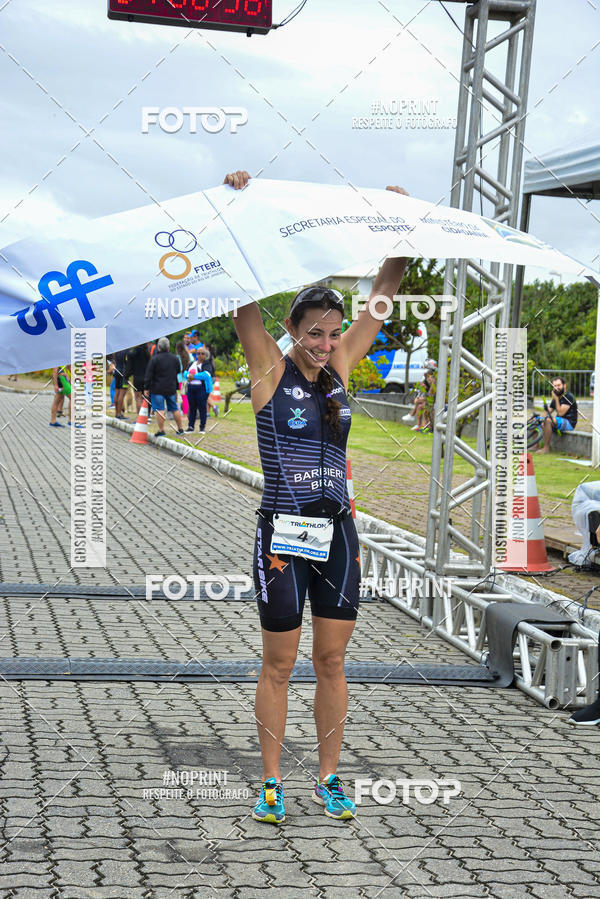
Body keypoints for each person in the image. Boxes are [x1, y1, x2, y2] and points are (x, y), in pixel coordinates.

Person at [224, 168, 408, 825]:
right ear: (292, 329)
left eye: (334, 332)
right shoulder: (267, 368)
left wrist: (400, 226)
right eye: (314, 332)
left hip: (339, 535)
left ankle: (329, 779)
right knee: (280, 663)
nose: (326, 343)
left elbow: (384, 294)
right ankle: (271, 781)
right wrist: (239, 204)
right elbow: (239, 293)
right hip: (281, 535)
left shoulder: (342, 367)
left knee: (331, 660)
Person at [143, 337, 185, 437]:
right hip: (171, 387)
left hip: (157, 388)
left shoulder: (154, 359)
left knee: (159, 409)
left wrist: (146, 387)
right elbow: (178, 371)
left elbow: (149, 374)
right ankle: (180, 429)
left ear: (159, 347)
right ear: (169, 347)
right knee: (174, 408)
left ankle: (161, 430)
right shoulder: (175, 358)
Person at [537, 376, 578, 454]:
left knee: (548, 420)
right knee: (537, 419)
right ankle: (535, 446)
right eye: (554, 386)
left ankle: (546, 448)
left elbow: (560, 413)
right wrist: (540, 419)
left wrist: (556, 399)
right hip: (559, 421)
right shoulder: (557, 397)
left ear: (564, 385)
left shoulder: (569, 397)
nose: (556, 388)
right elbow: (548, 411)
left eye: (558, 385)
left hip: (569, 423)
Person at [402, 361, 436, 431]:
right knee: (419, 406)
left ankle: (411, 415)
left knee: (417, 401)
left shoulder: (434, 379)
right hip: (430, 400)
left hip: (434, 400)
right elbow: (426, 390)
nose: (425, 373)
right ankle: (419, 425)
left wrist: (427, 388)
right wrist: (423, 386)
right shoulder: (427, 379)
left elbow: (432, 393)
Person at [185, 350, 213, 433]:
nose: (200, 355)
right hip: (191, 388)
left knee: (202, 407)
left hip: (201, 389)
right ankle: (191, 426)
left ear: (206, 355)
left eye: (202, 354)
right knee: (192, 407)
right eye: (198, 353)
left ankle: (202, 427)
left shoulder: (207, 364)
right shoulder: (192, 363)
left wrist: (193, 377)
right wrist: (188, 376)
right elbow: (185, 372)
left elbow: (206, 375)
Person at [126, 342, 152, 413]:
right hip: (146, 378)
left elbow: (129, 359)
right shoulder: (147, 353)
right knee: (146, 397)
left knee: (138, 398)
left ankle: (139, 415)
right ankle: (147, 415)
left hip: (137, 378)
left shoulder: (134, 352)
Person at [175, 340, 192, 417]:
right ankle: (191, 412)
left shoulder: (177, 357)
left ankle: (186, 414)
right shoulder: (190, 356)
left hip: (181, 380)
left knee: (184, 398)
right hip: (190, 379)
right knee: (190, 397)